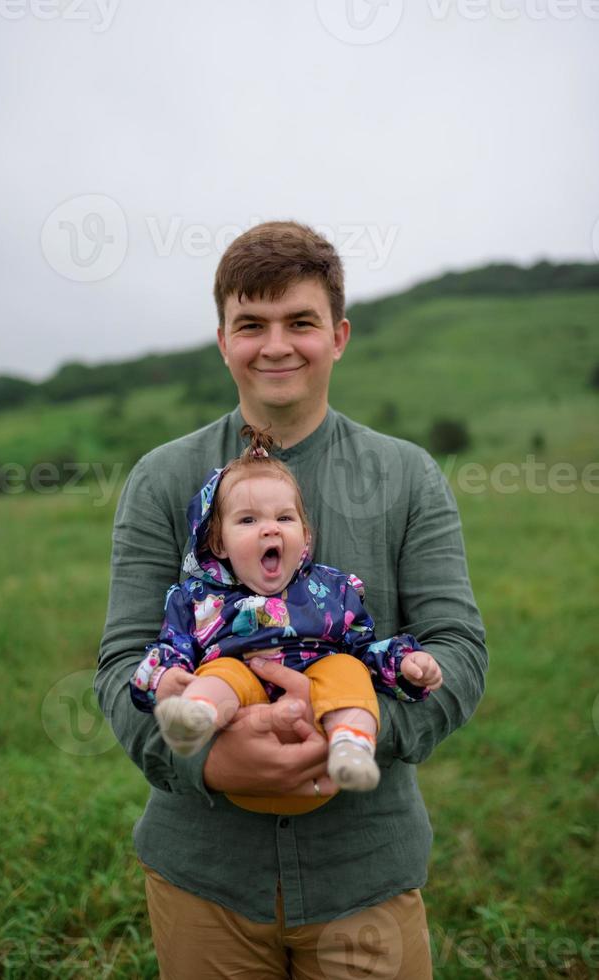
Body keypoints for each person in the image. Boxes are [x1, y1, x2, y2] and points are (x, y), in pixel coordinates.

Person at [95, 220, 487, 979]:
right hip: (202, 875)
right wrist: (209, 760)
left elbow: (460, 652)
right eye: (252, 324)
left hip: (365, 874)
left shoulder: (409, 476)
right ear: (223, 342)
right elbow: (119, 664)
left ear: (338, 335)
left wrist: (354, 728)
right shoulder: (159, 478)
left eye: (300, 322)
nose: (276, 345)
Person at [129, 425, 443, 811]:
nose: (270, 528)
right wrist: (162, 681)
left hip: (320, 731)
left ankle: (352, 745)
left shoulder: (333, 590)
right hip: (237, 744)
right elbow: (169, 650)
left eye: (284, 518)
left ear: (305, 536)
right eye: (247, 521)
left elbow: (364, 650)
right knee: (221, 674)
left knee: (347, 668)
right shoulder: (197, 599)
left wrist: (404, 663)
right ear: (218, 542)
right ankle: (195, 718)